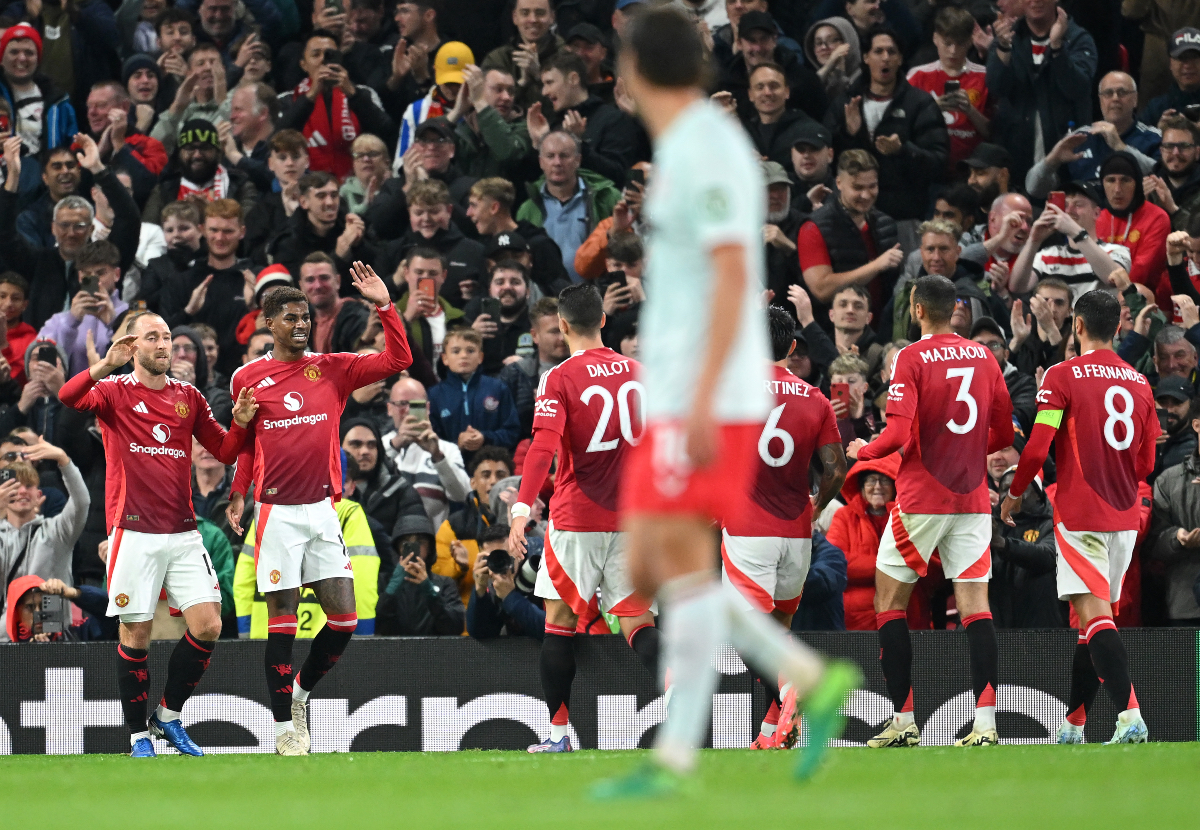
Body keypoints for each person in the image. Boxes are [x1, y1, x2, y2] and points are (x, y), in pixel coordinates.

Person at [597, 8, 858, 795]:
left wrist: (706, 395)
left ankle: (684, 753)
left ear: (641, 70)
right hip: (693, 383)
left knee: (662, 562)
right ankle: (803, 683)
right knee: (654, 563)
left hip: (706, 391)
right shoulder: (692, 148)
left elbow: (731, 274)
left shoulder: (704, 153)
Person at [225, 263, 412, 756]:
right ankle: (286, 727)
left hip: (323, 510)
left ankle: (301, 694)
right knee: (281, 620)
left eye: (305, 316)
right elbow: (245, 444)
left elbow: (399, 357)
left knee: (344, 619)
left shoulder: (335, 367)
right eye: (290, 317)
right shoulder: (248, 377)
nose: (301, 324)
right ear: (270, 323)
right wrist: (239, 492)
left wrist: (385, 304)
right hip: (277, 513)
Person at [58, 311, 259, 757]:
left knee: (208, 625)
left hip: (183, 531)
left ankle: (166, 717)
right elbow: (68, 396)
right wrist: (105, 364)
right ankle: (137, 738)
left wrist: (242, 422)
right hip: (133, 532)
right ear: (134, 346)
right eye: (154, 338)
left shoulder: (188, 396)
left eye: (168, 337)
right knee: (137, 635)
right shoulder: (113, 393)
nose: (165, 345)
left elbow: (225, 450)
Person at [848, 274, 1014, 748]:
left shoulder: (911, 358)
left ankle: (903, 720)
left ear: (917, 309)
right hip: (973, 498)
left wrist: (865, 450)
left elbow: (897, 435)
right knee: (975, 609)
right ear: (956, 310)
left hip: (922, 497)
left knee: (889, 604)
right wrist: (965, 450)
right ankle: (985, 725)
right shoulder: (984, 356)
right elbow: (1004, 433)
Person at [502, 283, 660, 752]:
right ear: (605, 321)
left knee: (559, 623)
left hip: (578, 518)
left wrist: (520, 511)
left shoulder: (558, 377)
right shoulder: (642, 373)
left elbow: (542, 449)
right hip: (635, 518)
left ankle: (558, 736)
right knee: (639, 622)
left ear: (564, 325)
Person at [1001, 289, 1158, 744]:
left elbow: (1037, 444)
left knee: (1093, 618)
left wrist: (1013, 494)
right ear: (1119, 328)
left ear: (1078, 326)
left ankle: (1130, 716)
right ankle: (1073, 724)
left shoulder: (1062, 375)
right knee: (1091, 626)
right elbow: (1146, 463)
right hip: (1125, 515)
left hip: (1080, 512)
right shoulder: (1140, 381)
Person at [723, 306, 847, 749]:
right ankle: (771, 732)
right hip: (796, 532)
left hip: (746, 527)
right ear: (793, 348)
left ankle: (795, 687)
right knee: (777, 631)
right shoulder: (814, 399)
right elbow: (836, 470)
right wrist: (816, 508)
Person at [1, 133, 139, 332]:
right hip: (42, 353)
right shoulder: (38, 262)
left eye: (80, 226)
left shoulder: (105, 262)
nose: (71, 233)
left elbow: (129, 219)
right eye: (64, 226)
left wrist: (99, 170)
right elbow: (4, 234)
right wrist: (13, 176)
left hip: (94, 354)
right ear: (53, 228)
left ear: (92, 228)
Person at [826, 25, 949, 221]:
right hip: (853, 216)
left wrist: (902, 151)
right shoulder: (846, 102)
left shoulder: (920, 104)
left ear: (900, 59)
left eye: (891, 52)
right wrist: (850, 134)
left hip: (903, 215)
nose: (885, 57)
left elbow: (938, 162)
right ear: (865, 58)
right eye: (878, 51)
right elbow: (829, 160)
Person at [985, 0, 1098, 180]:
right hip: (1017, 152)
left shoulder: (1077, 38)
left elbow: (1078, 88)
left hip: (1066, 156)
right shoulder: (1007, 37)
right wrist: (1003, 48)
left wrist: (1057, 48)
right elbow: (996, 88)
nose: (1036, 1)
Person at [796, 149, 901, 323]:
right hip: (831, 335)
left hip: (880, 332)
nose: (866, 195)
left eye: (872, 186)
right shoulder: (813, 228)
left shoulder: (886, 224)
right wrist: (876, 265)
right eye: (857, 187)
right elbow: (822, 289)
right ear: (839, 183)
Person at [279, 29, 395, 179]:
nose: (323, 60)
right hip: (309, 186)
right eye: (316, 55)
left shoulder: (362, 94)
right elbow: (278, 140)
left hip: (357, 183)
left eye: (329, 55)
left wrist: (353, 95)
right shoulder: (287, 100)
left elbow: (387, 133)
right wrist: (310, 97)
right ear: (303, 65)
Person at [515, 130, 622, 284]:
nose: (557, 162)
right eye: (550, 156)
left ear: (578, 160)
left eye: (564, 156)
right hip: (547, 301)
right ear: (541, 162)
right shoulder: (527, 209)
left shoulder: (606, 197)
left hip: (598, 295)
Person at [532, 50, 642, 187]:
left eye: (549, 82)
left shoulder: (613, 119)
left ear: (573, 79)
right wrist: (539, 143)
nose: (544, 92)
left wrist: (579, 144)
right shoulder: (552, 125)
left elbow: (617, 175)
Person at [1009, 180, 1132, 299]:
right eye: (1065, 205)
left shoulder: (1116, 251)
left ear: (1096, 213)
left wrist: (1075, 232)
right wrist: (1034, 241)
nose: (1069, 211)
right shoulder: (1046, 255)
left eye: (1078, 205)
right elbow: (1017, 287)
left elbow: (1114, 279)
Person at [905, 6, 992, 172]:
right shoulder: (917, 76)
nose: (953, 51)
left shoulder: (985, 77)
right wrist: (931, 109)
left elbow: (993, 133)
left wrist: (970, 110)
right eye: (947, 43)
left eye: (960, 44)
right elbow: (902, 126)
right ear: (935, 39)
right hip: (927, 168)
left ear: (970, 41)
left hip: (971, 170)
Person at [382, 376, 471, 530]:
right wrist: (395, 445)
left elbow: (463, 495)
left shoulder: (447, 450)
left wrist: (438, 457)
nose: (409, 411)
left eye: (417, 405)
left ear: (428, 408)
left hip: (433, 543)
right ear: (389, 408)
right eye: (402, 404)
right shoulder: (379, 445)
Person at [142, 118, 258, 224]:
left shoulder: (240, 186)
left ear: (218, 152)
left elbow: (247, 229)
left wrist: (209, 211)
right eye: (190, 148)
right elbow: (148, 232)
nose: (197, 155)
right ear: (180, 153)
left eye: (205, 148)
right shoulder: (164, 190)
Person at [1095, 152, 1172, 305]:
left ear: (1137, 183)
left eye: (1125, 180)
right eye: (1111, 180)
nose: (1117, 189)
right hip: (1100, 303)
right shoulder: (1096, 218)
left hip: (1143, 304)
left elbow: (1140, 273)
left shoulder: (1157, 218)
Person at [427, 328, 521, 452]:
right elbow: (431, 438)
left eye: (470, 351)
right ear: (445, 359)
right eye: (456, 351)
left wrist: (485, 438)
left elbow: (513, 432)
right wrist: (456, 444)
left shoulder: (498, 388)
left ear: (480, 357)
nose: (464, 356)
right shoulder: (434, 395)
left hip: (491, 463)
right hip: (450, 465)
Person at [0, 24, 78, 157]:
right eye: (14, 52)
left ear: (38, 59)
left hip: (44, 173)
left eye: (29, 52)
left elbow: (72, 146)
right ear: (1, 58)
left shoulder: (59, 101)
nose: (22, 58)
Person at [499, 296, 569, 437]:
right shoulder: (516, 373)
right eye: (555, 331)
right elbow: (506, 429)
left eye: (566, 329)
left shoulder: (590, 371)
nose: (562, 337)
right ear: (534, 335)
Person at [480, 0, 563, 110]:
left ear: (552, 17)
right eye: (525, 13)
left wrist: (539, 77)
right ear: (515, 17)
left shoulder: (566, 57)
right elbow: (487, 108)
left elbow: (568, 107)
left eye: (540, 13)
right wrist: (522, 84)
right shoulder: (498, 58)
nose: (532, 19)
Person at [971, 318, 1037, 434]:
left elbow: (1022, 418)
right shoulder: (956, 384)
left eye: (994, 345)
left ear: (1006, 354)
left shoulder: (1023, 384)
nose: (986, 350)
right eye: (978, 345)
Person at [1145, 114, 1200, 233]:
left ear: (1197, 152)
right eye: (1169, 146)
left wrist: (1173, 210)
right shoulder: (1147, 185)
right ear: (1161, 150)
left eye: (1184, 146)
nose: (1175, 153)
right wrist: (1141, 206)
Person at [1140, 27, 1200, 128]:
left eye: (1194, 58)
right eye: (1182, 58)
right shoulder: (1157, 108)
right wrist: (1159, 134)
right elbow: (1136, 142)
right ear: (1171, 63)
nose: (1188, 65)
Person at [1152, 377, 1197, 481]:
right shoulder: (1140, 440)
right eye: (1163, 402)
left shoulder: (1194, 448)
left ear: (1191, 404)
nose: (1169, 409)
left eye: (1177, 402)